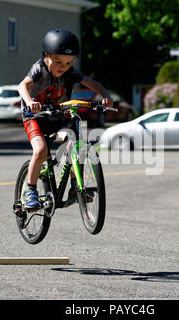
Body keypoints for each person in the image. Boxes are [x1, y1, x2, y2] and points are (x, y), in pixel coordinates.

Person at [18, 29, 113, 209]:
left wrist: (105, 97)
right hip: (35, 117)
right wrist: (30, 102)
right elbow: (22, 85)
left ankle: (75, 187)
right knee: (40, 150)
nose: (63, 66)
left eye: (68, 62)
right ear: (46, 57)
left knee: (74, 142)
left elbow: (94, 84)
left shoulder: (70, 73)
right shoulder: (40, 69)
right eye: (58, 61)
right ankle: (30, 190)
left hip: (56, 118)